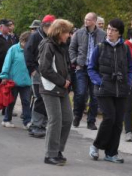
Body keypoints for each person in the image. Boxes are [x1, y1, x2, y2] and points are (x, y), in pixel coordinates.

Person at [88, 18, 132, 163]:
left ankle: (111, 153)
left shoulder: (125, 48)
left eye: (113, 30)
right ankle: (96, 146)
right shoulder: (100, 47)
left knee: (118, 122)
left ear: (119, 33)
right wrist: (100, 82)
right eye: (108, 29)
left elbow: (130, 69)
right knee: (109, 117)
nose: (109, 32)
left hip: (121, 89)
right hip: (104, 89)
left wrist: (129, 82)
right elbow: (91, 68)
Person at [39, 19, 74, 166]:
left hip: (62, 88)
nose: (69, 35)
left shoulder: (62, 46)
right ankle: (50, 154)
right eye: (67, 32)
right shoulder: (48, 45)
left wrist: (67, 80)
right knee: (55, 120)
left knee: (67, 118)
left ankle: (58, 150)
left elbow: (66, 66)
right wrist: (62, 81)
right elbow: (45, 69)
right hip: (50, 88)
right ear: (59, 32)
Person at [69, 12, 106, 130]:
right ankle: (77, 115)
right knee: (80, 93)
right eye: (85, 19)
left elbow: (106, 50)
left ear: (94, 21)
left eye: (89, 20)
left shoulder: (103, 35)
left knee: (95, 96)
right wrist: (75, 61)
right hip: (82, 68)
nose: (86, 22)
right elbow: (72, 48)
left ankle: (91, 121)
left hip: (96, 70)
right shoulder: (78, 33)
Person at [24, 14, 56, 138]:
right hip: (37, 72)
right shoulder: (35, 36)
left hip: (49, 73)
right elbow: (28, 52)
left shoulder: (52, 37)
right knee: (39, 98)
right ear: (45, 26)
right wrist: (31, 69)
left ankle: (41, 125)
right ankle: (36, 125)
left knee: (46, 99)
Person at [0, 31, 32, 129]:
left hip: (26, 80)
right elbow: (7, 63)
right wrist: (4, 75)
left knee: (26, 101)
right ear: (22, 41)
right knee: (11, 101)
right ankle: (6, 119)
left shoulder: (31, 50)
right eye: (27, 42)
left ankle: (27, 121)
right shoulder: (13, 49)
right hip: (13, 80)